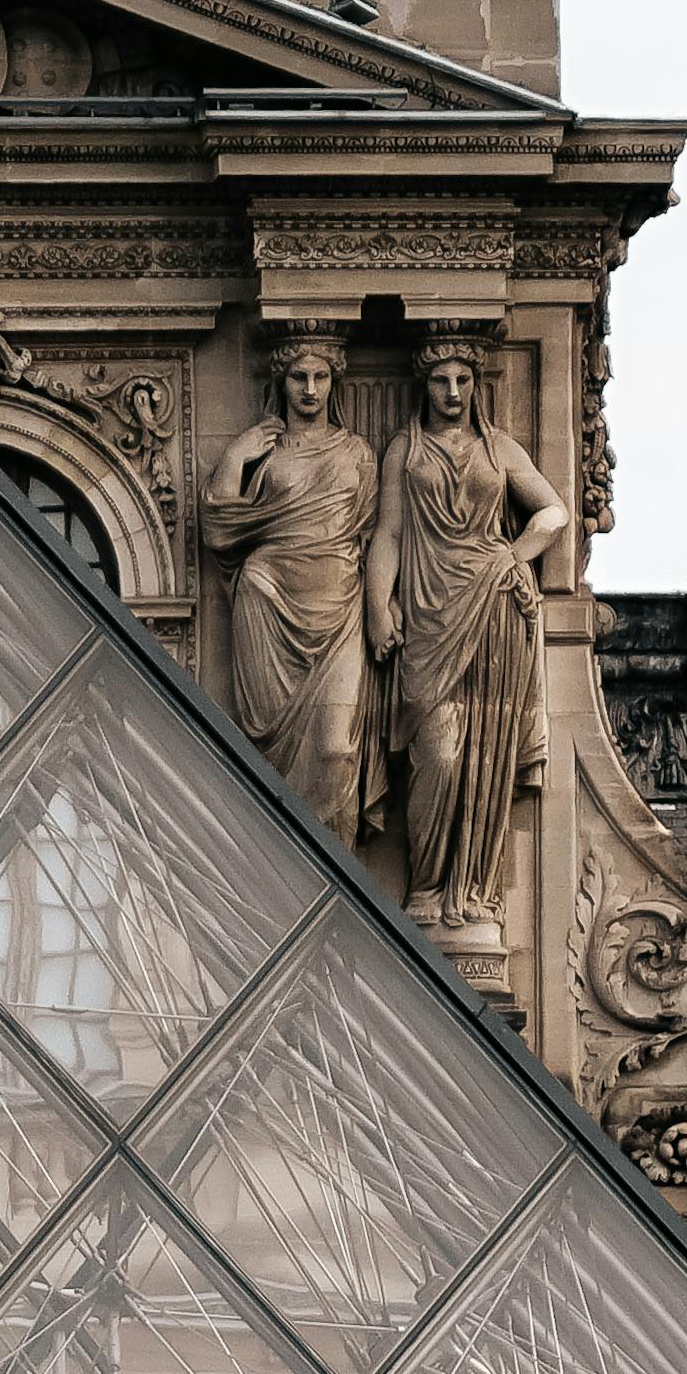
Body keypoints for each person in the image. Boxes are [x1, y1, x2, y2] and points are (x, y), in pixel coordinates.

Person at [366, 333, 568, 940]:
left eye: (463, 381)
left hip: (492, 610)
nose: (452, 393)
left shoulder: (501, 448)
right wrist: (379, 604)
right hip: (426, 615)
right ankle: (425, 885)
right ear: (423, 385)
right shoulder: (404, 449)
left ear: (477, 385)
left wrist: (515, 556)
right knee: (439, 752)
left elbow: (553, 512)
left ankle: (473, 892)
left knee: (485, 755)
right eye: (439, 381)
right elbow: (389, 535)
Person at [202, 333, 380, 841]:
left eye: (320, 377)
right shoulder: (267, 455)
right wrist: (236, 455)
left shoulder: (358, 453)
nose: (309, 388)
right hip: (270, 608)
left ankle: (343, 884)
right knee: (272, 756)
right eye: (299, 377)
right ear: (282, 381)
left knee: (338, 750)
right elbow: (221, 523)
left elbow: (371, 536)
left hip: (341, 612)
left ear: (334, 382)